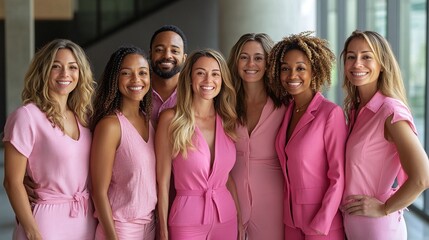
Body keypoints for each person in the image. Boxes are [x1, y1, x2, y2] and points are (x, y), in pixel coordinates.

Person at [3, 39, 96, 239]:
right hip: (45, 223)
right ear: (43, 71)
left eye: (73, 67)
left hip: (85, 221)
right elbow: (12, 182)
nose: (65, 74)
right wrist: (33, 233)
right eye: (56, 66)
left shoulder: (85, 117)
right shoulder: (26, 116)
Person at [340, 30, 429, 240]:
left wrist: (385, 208)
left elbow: (422, 177)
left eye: (366, 57)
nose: (357, 64)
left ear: (382, 64)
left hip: (377, 229)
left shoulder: (389, 111)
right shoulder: (356, 110)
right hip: (354, 225)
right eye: (351, 56)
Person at [156, 49, 243, 240]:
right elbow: (162, 182)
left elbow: (227, 178)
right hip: (186, 220)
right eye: (200, 73)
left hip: (226, 217)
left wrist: (240, 220)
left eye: (215, 74)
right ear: (189, 78)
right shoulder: (171, 119)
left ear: (222, 80)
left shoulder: (228, 121)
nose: (208, 80)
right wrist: (163, 232)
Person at [267, 31, 346, 239]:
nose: (292, 75)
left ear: (314, 71)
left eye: (300, 68)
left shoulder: (330, 113)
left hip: (322, 224)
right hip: (290, 221)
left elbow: (338, 175)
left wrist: (323, 220)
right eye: (285, 69)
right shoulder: (287, 111)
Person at [90, 46, 157, 239]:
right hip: (120, 229)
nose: (136, 80)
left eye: (142, 72)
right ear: (115, 78)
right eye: (126, 73)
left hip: (149, 226)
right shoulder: (111, 126)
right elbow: (98, 192)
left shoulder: (150, 121)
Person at [227, 33, 285, 239]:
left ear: (269, 62)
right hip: (229, 196)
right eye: (244, 57)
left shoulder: (285, 104)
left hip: (273, 198)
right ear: (236, 61)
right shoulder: (225, 103)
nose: (251, 63)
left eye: (258, 58)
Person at [149, 24, 188, 127]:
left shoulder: (193, 93)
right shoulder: (137, 90)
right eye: (159, 50)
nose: (167, 55)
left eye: (174, 51)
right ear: (150, 54)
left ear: (184, 58)